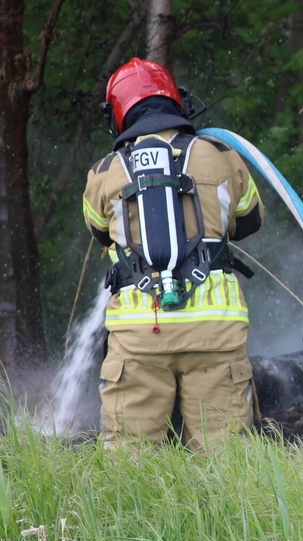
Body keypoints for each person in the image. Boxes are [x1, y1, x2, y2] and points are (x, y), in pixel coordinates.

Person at [82, 57, 264, 451]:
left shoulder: (104, 171)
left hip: (139, 337)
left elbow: (99, 233)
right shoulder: (220, 153)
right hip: (215, 333)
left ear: (118, 114)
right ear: (176, 101)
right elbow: (249, 222)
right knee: (227, 462)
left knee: (129, 465)